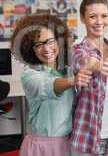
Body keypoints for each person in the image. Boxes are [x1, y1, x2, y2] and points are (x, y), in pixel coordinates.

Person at [10, 14, 92, 156]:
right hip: (41, 146)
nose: (46, 49)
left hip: (68, 143)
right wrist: (73, 81)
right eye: (38, 44)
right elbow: (49, 86)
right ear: (30, 48)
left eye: (50, 41)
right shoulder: (29, 74)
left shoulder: (67, 70)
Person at [70, 0, 108, 156]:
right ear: (83, 18)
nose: (99, 22)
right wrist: (98, 65)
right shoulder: (77, 50)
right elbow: (85, 62)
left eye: (104, 16)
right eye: (92, 16)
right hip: (87, 138)